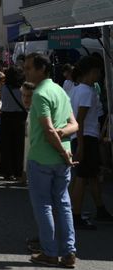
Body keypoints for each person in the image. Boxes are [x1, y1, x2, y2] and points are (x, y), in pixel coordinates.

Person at [24, 52, 77, 268]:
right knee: (63, 203)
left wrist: (61, 145)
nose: (25, 71)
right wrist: (63, 141)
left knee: (44, 205)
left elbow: (47, 129)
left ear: (41, 69)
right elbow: (74, 125)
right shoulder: (60, 91)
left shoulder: (39, 93)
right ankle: (69, 251)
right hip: (62, 157)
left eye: (29, 68)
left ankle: (50, 252)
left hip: (43, 158)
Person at [69, 56, 113, 230]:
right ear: (92, 71)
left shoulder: (76, 89)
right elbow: (79, 120)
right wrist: (81, 145)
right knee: (82, 177)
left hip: (82, 137)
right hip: (86, 138)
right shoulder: (87, 91)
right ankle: (75, 215)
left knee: (90, 175)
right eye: (99, 71)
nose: (100, 74)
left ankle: (99, 209)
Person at [0, 66, 27, 181]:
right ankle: (18, 171)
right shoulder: (23, 89)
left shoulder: (3, 88)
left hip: (6, 118)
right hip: (20, 118)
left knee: (6, 145)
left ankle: (6, 171)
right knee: (19, 146)